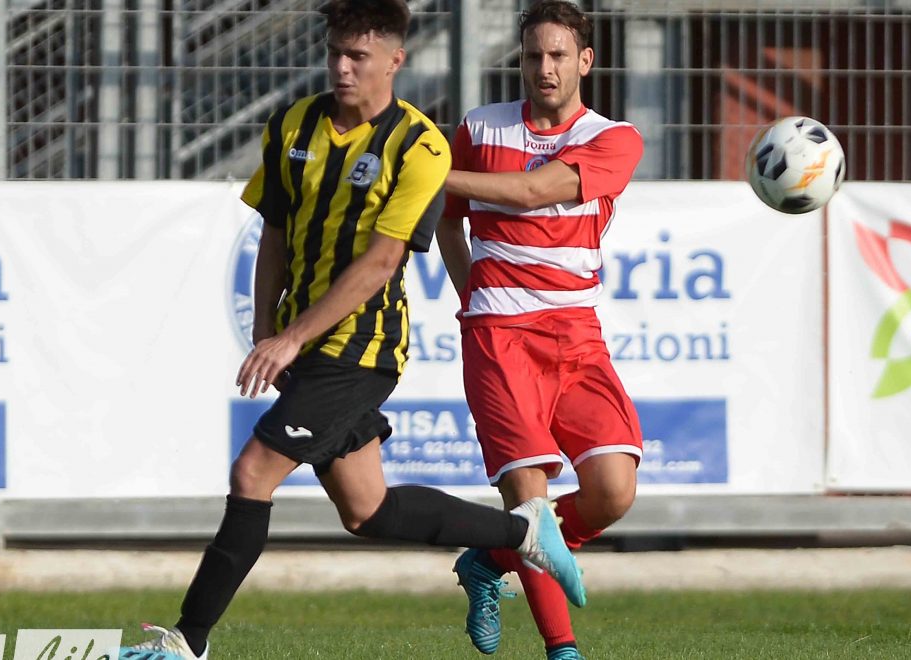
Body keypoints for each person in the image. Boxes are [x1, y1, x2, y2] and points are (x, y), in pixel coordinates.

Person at [117, 2, 584, 658]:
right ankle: (525, 531)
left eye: (358, 56)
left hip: (362, 349)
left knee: (253, 473)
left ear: (394, 60)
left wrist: (291, 337)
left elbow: (382, 262)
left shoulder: (420, 146)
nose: (342, 67)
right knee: (367, 510)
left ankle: (185, 643)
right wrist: (268, 326)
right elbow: (274, 232)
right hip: (309, 345)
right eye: (336, 52)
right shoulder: (293, 125)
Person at [436, 2, 645, 659]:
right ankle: (563, 649)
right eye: (532, 55)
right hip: (499, 334)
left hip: (576, 333)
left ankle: (489, 559)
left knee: (612, 491)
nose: (544, 68)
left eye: (558, 55)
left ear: (586, 60)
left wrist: (420, 169)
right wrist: (474, 294)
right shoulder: (480, 127)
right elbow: (447, 216)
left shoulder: (615, 139)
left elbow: (532, 192)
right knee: (531, 501)